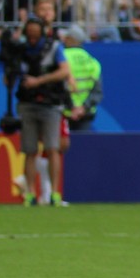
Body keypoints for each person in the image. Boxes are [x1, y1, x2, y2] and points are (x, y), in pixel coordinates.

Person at [11, 16, 71, 208]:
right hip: (27, 103)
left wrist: (39, 81)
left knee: (52, 148)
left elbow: (65, 71)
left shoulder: (54, 47)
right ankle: (30, 193)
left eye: (36, 33)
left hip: (50, 103)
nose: (32, 37)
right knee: (29, 150)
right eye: (29, 33)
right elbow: (9, 78)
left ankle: (54, 193)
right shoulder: (20, 50)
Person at [57, 24, 103, 206]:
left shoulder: (62, 58)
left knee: (58, 153)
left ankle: (58, 190)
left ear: (70, 39)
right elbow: (97, 92)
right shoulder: (93, 62)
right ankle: (82, 191)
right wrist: (83, 107)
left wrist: (71, 107)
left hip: (63, 113)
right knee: (81, 154)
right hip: (85, 115)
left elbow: (59, 85)